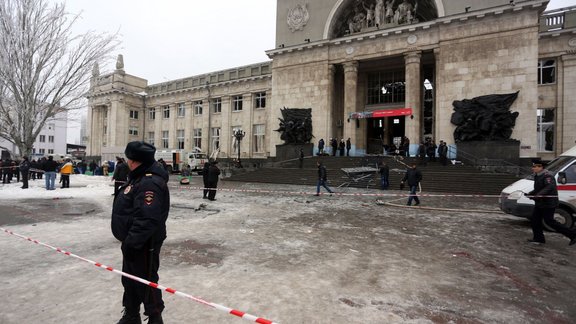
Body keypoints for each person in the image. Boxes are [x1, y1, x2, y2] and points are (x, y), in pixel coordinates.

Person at [111, 141, 169, 324]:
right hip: (134, 241)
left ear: (135, 161)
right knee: (130, 280)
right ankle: (131, 314)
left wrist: (132, 242)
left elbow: (147, 218)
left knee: (146, 282)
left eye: (130, 158)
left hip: (144, 243)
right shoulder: (138, 177)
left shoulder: (149, 182)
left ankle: (154, 317)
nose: (128, 161)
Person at [526, 160, 576, 246]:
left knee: (549, 221)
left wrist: (538, 195)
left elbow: (549, 187)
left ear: (541, 167)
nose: (533, 168)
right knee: (535, 220)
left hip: (549, 203)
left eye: (535, 167)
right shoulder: (537, 176)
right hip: (540, 203)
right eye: (533, 166)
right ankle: (539, 239)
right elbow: (539, 188)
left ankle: (572, 235)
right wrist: (531, 193)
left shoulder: (547, 176)